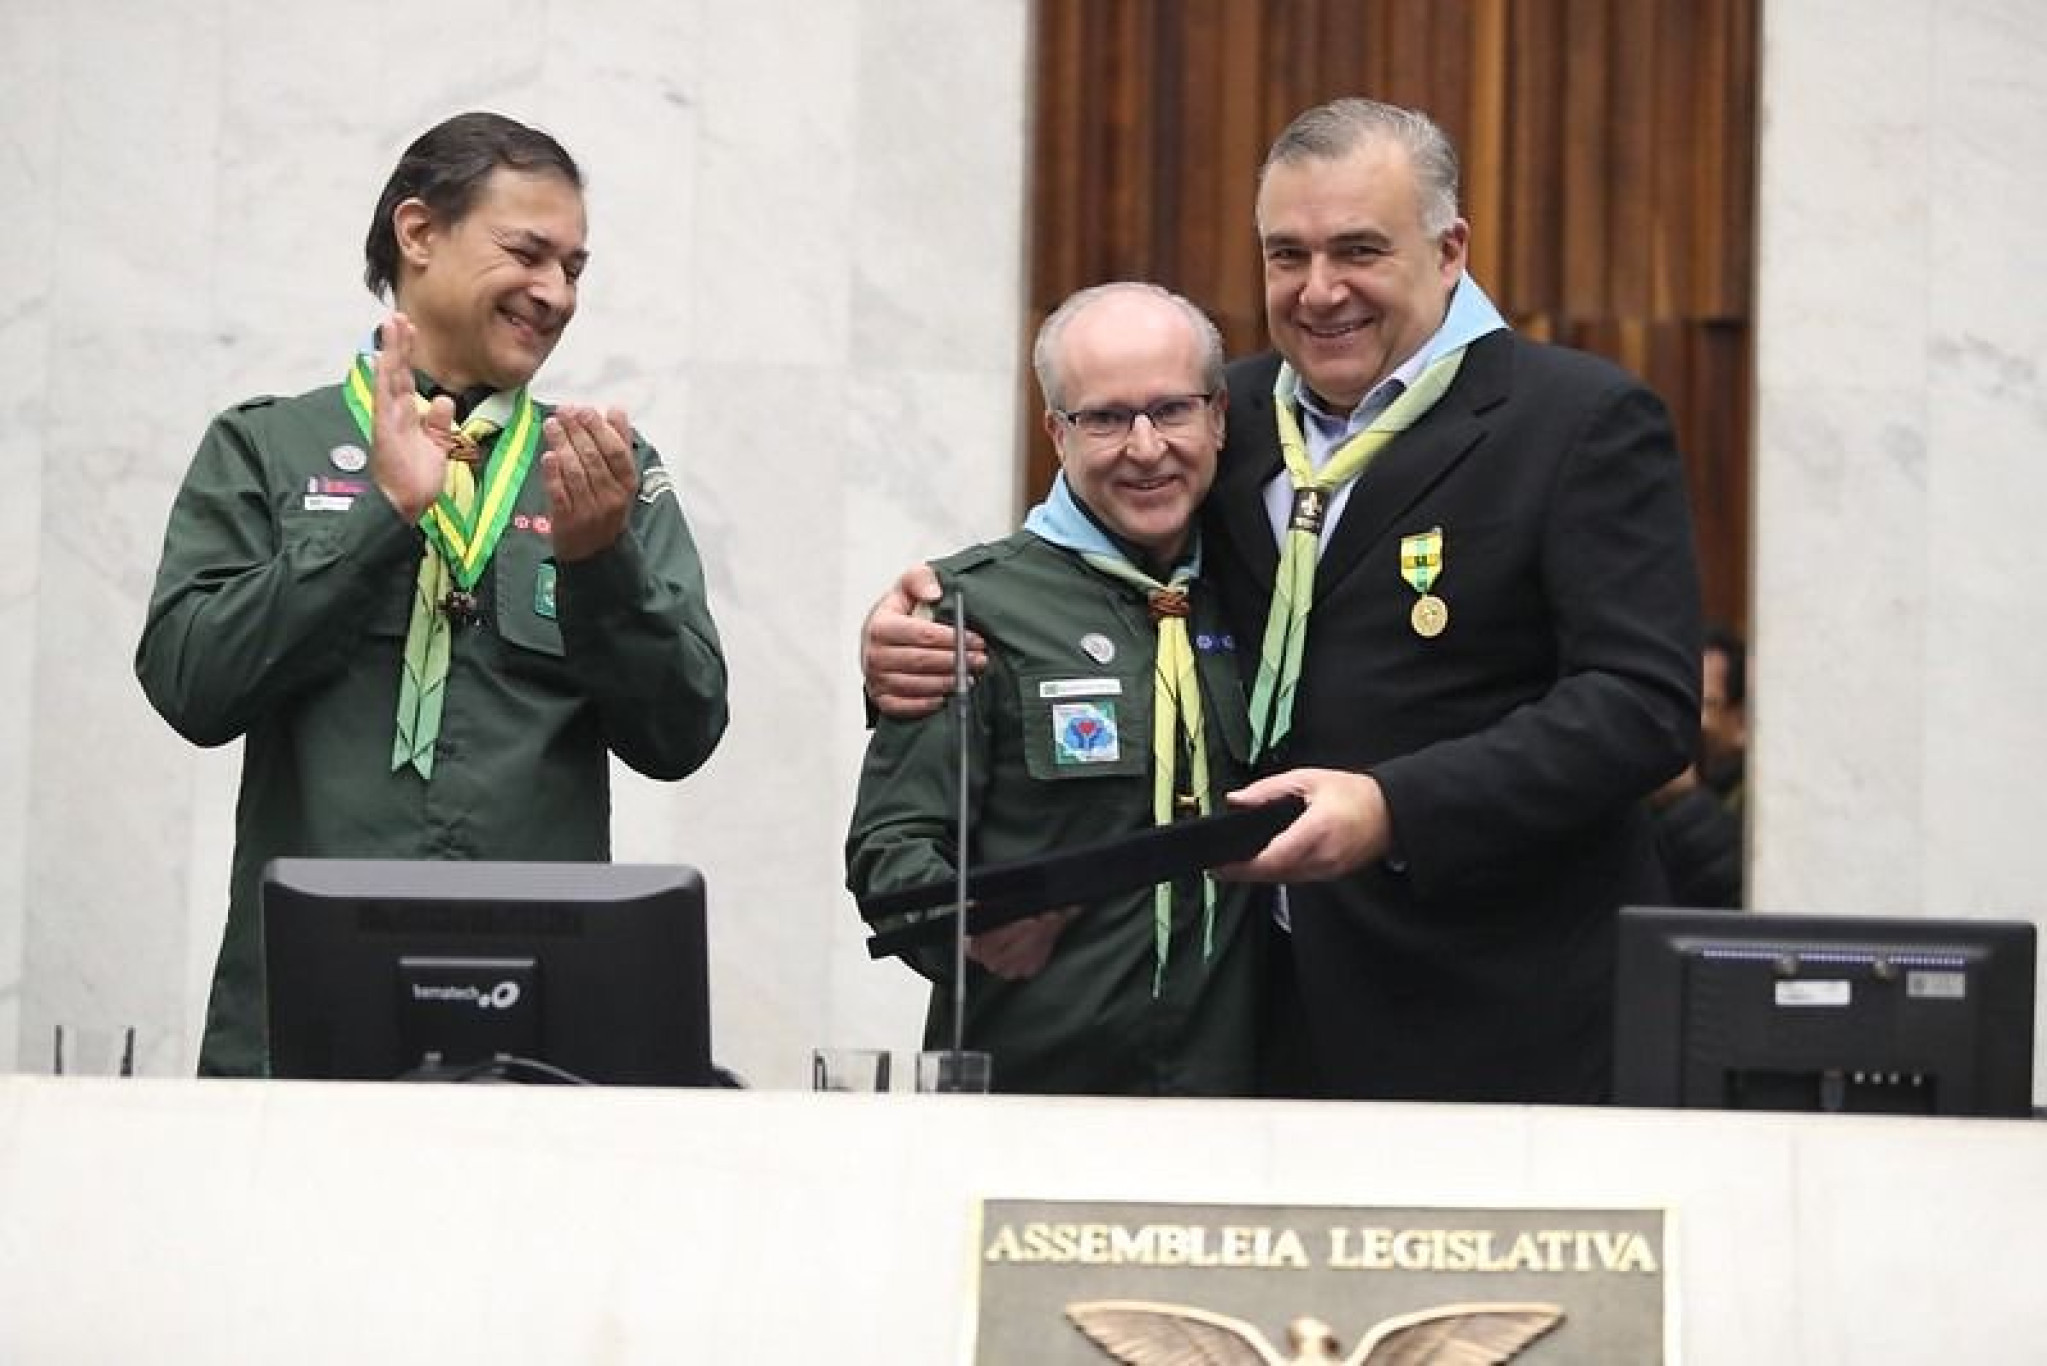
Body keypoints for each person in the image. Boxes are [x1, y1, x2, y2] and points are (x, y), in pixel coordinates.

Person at [862, 98, 1701, 1104]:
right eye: (1284, 255)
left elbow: (1640, 707)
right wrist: (921, 624)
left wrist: (1393, 807)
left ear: (1448, 250)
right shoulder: (1226, 415)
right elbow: (1085, 571)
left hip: (1500, 1016)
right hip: (1265, 1023)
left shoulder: (1577, 421)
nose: (1319, 291)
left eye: (1357, 250)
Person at [136, 112, 729, 1077]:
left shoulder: (597, 471)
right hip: (303, 1005)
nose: (555, 293)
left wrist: (601, 567)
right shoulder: (264, 447)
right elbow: (191, 687)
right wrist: (379, 515)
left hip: (547, 1017)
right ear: (419, 233)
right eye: (528, 253)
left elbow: (684, 734)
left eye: (574, 268)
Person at [845, 282, 1263, 1095]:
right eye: (1104, 418)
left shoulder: (1269, 593)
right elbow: (889, 853)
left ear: (1216, 416)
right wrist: (969, 923)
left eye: (1171, 411)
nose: (1144, 449)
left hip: (1243, 1096)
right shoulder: (968, 609)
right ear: (1055, 433)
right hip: (1031, 1095)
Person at [1650, 625, 1747, 907]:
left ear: (1741, 723)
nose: (1681, 722)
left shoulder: (1767, 801)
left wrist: (1684, 800)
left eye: (1701, 704)